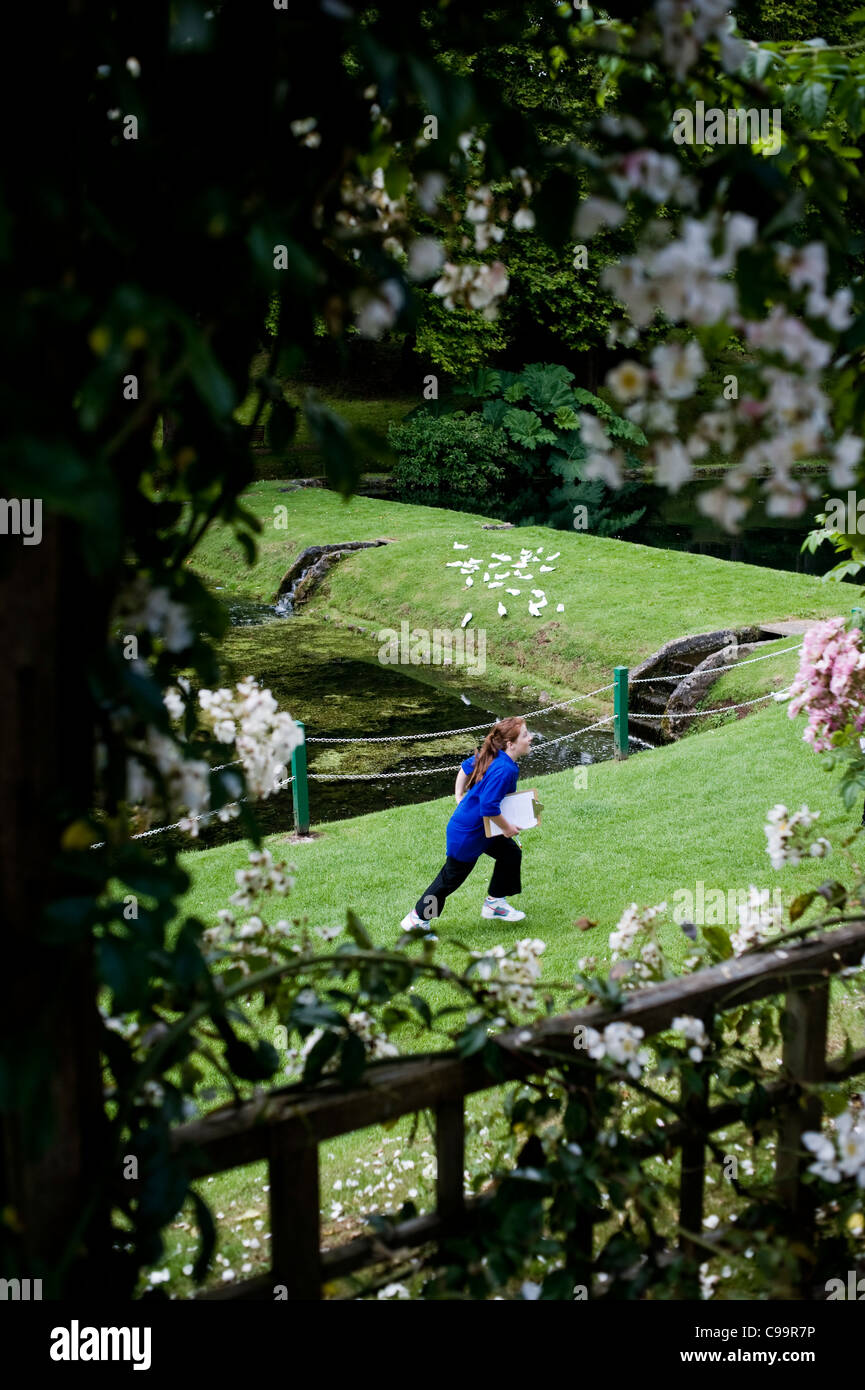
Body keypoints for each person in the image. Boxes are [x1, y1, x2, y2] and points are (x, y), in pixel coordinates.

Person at [401, 716, 532, 928]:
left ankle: (495, 903)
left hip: (484, 828)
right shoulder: (504, 769)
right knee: (449, 880)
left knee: (510, 854)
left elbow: (464, 769)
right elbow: (488, 807)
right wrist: (507, 828)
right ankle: (418, 918)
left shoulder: (494, 756)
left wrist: (458, 794)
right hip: (468, 835)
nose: (531, 738)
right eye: (525, 735)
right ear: (511, 744)